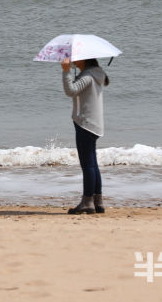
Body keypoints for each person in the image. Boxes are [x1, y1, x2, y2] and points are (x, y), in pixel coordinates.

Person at [61, 57, 109, 214]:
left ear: (84, 60)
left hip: (86, 124)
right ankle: (97, 201)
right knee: (93, 164)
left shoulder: (88, 76)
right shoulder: (96, 73)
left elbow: (70, 91)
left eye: (76, 58)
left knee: (87, 165)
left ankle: (87, 201)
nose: (73, 60)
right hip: (94, 123)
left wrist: (66, 71)